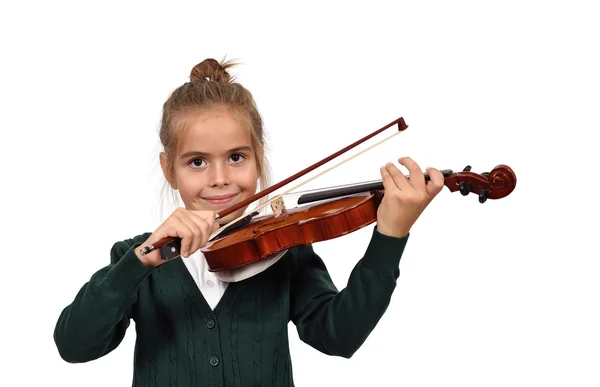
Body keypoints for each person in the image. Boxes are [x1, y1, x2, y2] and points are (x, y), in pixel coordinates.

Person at [53, 58, 445, 386]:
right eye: (197, 162)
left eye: (237, 157)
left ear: (258, 158)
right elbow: (74, 346)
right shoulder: (137, 258)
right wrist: (140, 262)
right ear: (168, 169)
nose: (220, 177)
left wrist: (390, 236)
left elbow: (338, 336)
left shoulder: (285, 252)